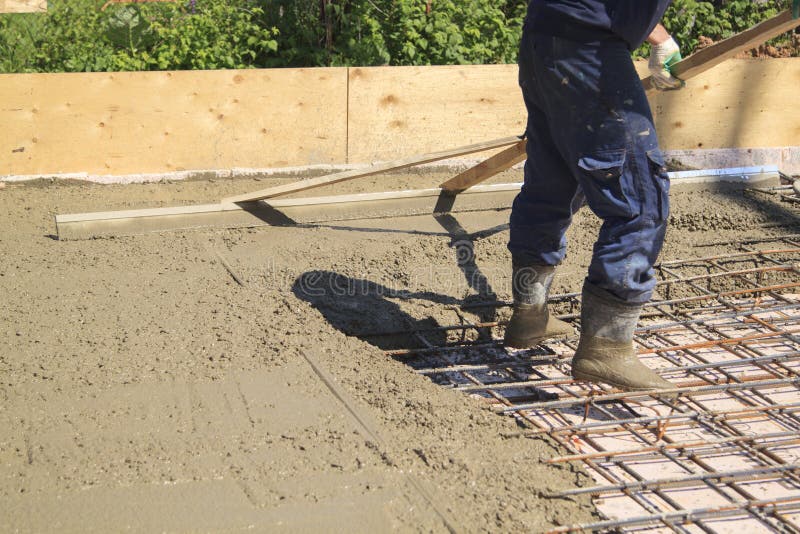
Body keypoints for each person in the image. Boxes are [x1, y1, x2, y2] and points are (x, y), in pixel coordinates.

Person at [503, 1, 683, 391]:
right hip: (589, 51)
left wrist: (660, 36)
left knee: (552, 183)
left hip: (546, 38)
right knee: (641, 199)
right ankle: (607, 348)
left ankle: (529, 314)